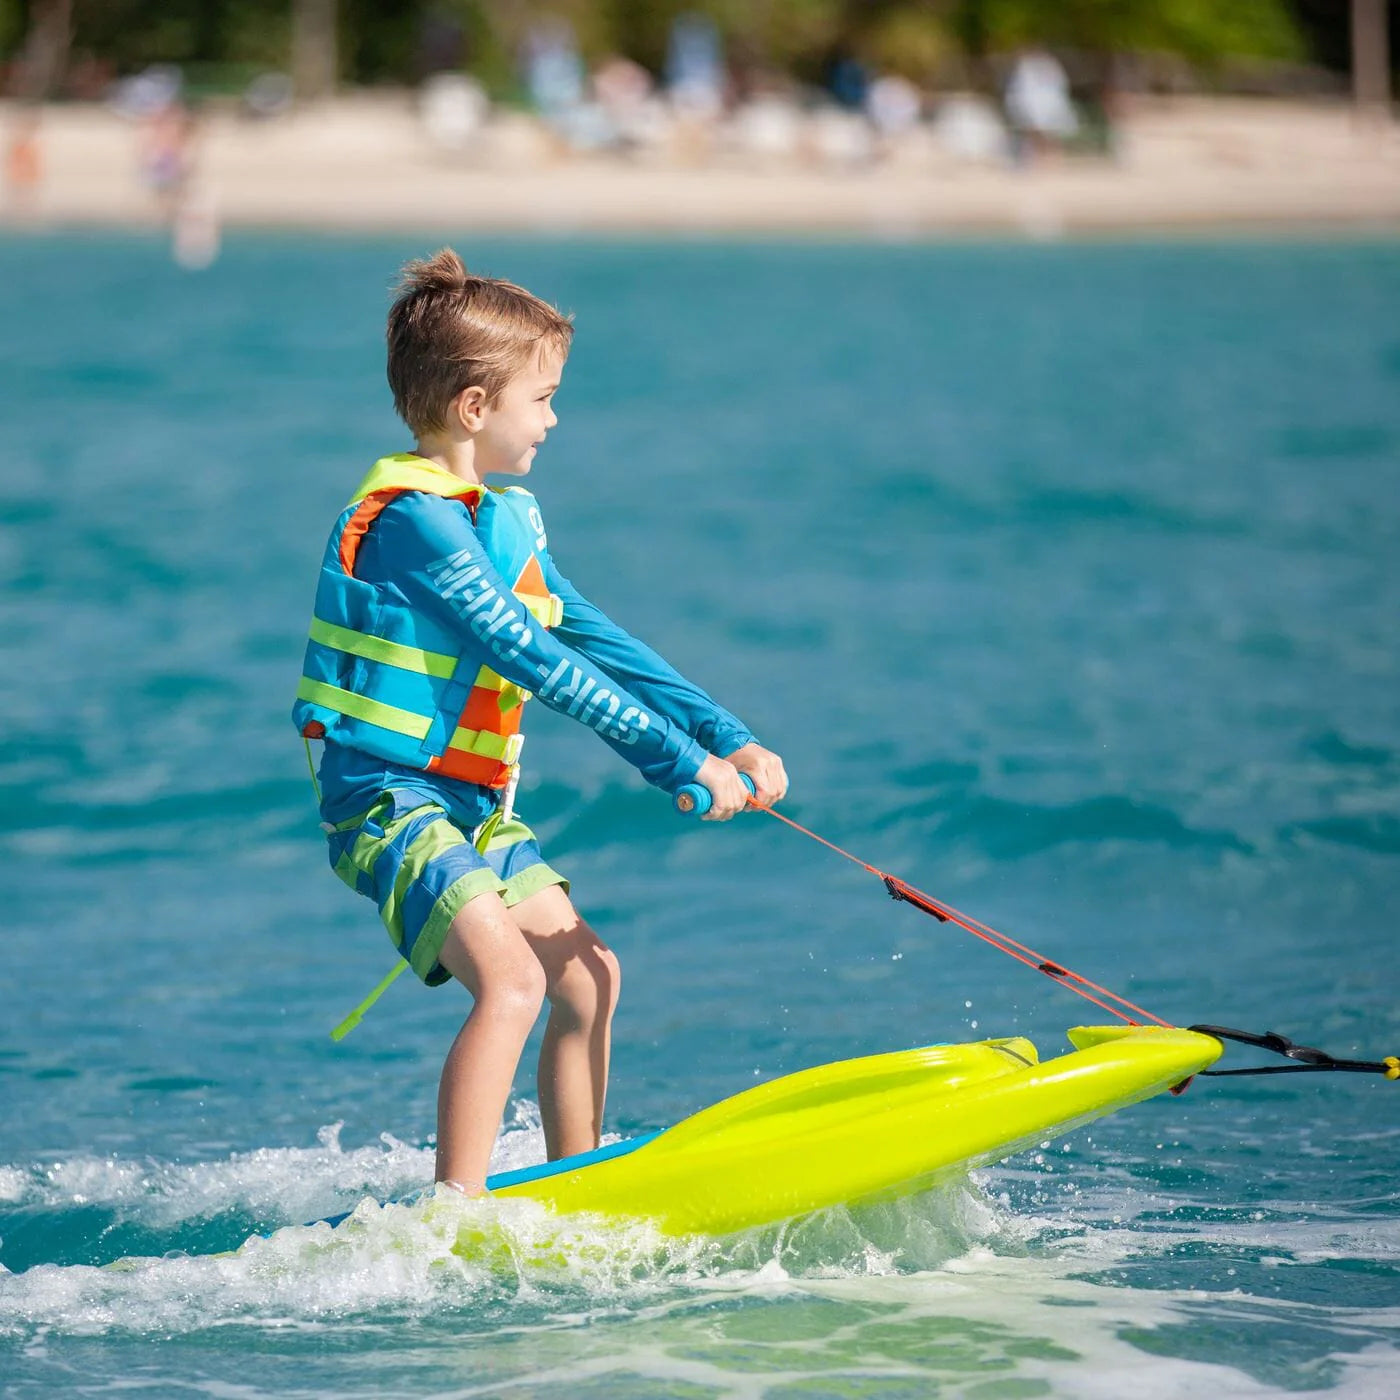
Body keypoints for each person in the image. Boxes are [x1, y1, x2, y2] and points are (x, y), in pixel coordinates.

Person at [293, 250, 786, 1197]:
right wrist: (670, 761)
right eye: (544, 399)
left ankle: (582, 1188)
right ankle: (455, 1216)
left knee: (589, 975)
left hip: (469, 803)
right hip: (385, 800)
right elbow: (525, 652)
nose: (555, 420)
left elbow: (594, 635)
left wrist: (724, 734)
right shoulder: (410, 523)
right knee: (514, 985)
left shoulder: (503, 519)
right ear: (476, 408)